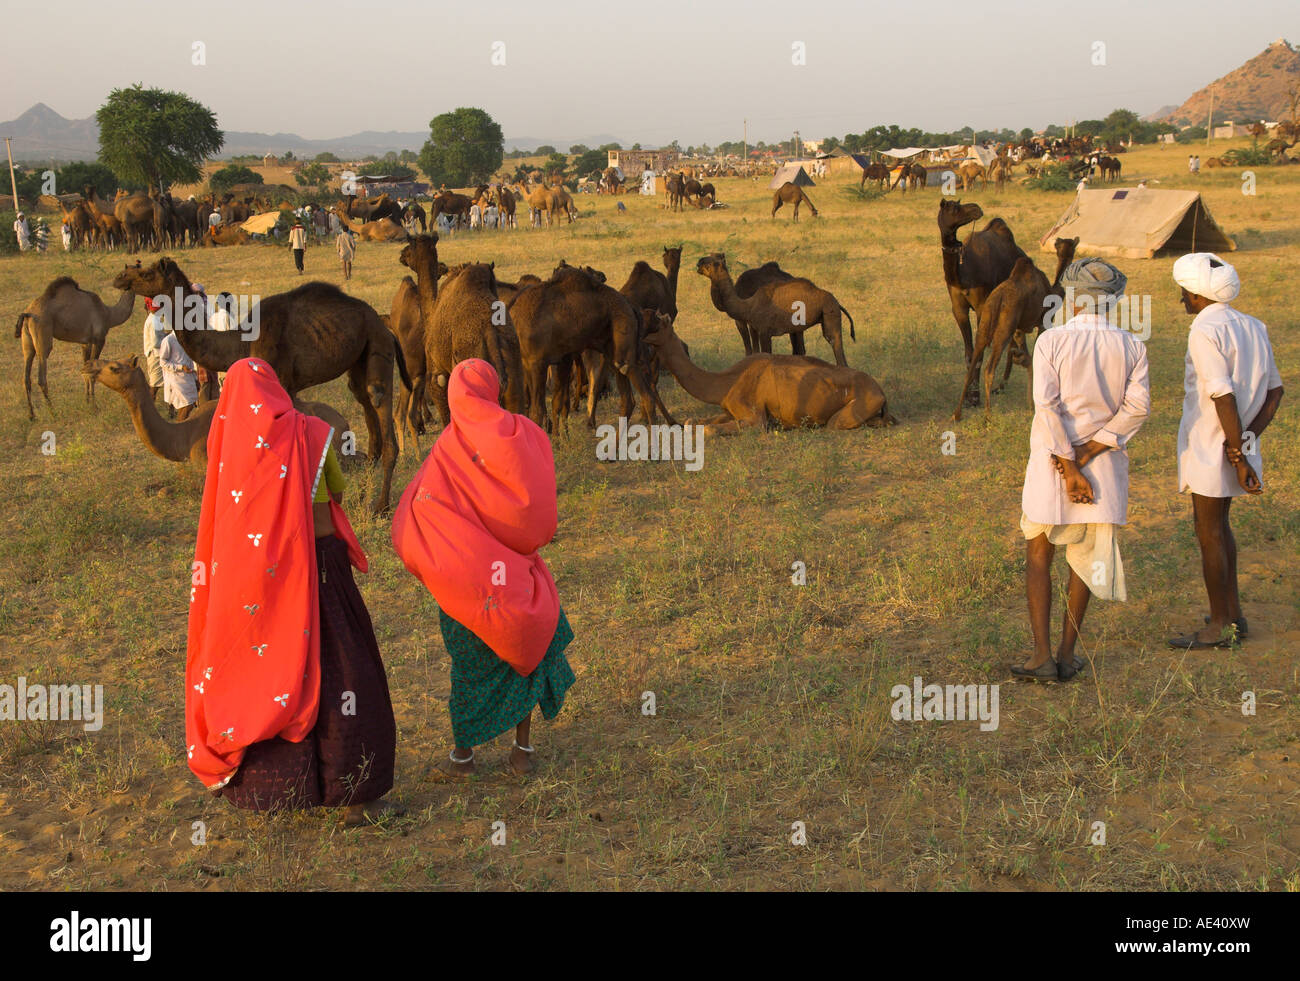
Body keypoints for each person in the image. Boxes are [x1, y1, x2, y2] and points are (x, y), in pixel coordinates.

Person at [186, 357, 401, 825]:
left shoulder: (230, 449)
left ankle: (273, 794)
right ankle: (355, 797)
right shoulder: (310, 433)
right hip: (323, 570)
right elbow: (337, 490)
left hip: (264, 590)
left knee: (268, 672)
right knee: (346, 673)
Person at [392, 359, 576, 777]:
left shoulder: (447, 446)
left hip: (465, 588)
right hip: (513, 578)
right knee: (525, 651)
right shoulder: (524, 433)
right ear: (494, 388)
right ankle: (522, 753)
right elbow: (540, 514)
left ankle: (463, 759)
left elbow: (420, 509)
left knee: (469, 665)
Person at [1014, 258, 1150, 681]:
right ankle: (1067, 655)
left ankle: (1040, 656)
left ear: (1070, 298)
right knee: (1086, 560)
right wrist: (1089, 453)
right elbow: (1137, 409)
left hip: (1051, 466)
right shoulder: (1132, 346)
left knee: (1040, 552)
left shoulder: (1051, 342)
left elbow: (1047, 406)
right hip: (1102, 470)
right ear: (1112, 302)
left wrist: (1069, 467)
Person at [1167, 254, 1284, 650]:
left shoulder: (1204, 329)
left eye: (1185, 292)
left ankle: (1219, 625)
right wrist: (1244, 445)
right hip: (1236, 443)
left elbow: (1222, 394)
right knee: (1221, 528)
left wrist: (1236, 452)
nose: (1182, 298)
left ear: (1198, 296)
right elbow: (1274, 392)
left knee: (1209, 533)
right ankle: (1233, 615)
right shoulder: (1254, 325)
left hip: (1210, 444)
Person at [158, 328, 199, 420]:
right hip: (175, 379)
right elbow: (163, 362)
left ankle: (180, 427)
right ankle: (179, 428)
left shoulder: (187, 339)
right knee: (186, 405)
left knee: (189, 405)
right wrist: (180, 367)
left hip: (188, 377)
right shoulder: (169, 340)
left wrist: (195, 375)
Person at [141, 298, 169, 405]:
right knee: (154, 385)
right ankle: (149, 409)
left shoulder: (155, 318)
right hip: (155, 355)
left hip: (159, 354)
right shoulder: (154, 320)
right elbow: (155, 342)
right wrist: (169, 338)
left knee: (167, 383)